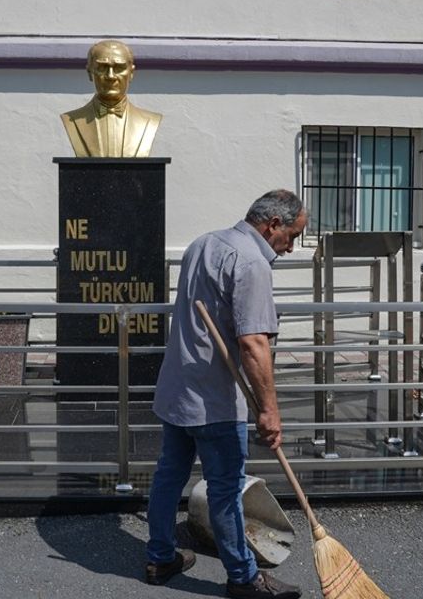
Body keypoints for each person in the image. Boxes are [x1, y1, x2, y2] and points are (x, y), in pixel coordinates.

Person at [145, 189, 307, 599]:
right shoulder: (251, 262)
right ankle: (244, 578)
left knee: (169, 475)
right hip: (216, 398)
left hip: (179, 386)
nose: (290, 248)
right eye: (292, 236)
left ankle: (161, 556)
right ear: (273, 225)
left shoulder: (204, 242)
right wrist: (269, 411)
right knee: (226, 488)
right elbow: (253, 344)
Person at [60, 40, 162, 158]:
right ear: (90, 72)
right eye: (102, 67)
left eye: (119, 68)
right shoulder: (71, 120)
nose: (111, 76)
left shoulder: (149, 121)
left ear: (131, 73)